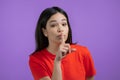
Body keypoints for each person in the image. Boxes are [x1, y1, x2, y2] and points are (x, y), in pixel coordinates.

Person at [29, 6, 96, 80]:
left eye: (64, 24)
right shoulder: (36, 60)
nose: (60, 29)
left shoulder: (83, 52)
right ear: (45, 31)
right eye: (53, 25)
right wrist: (57, 61)